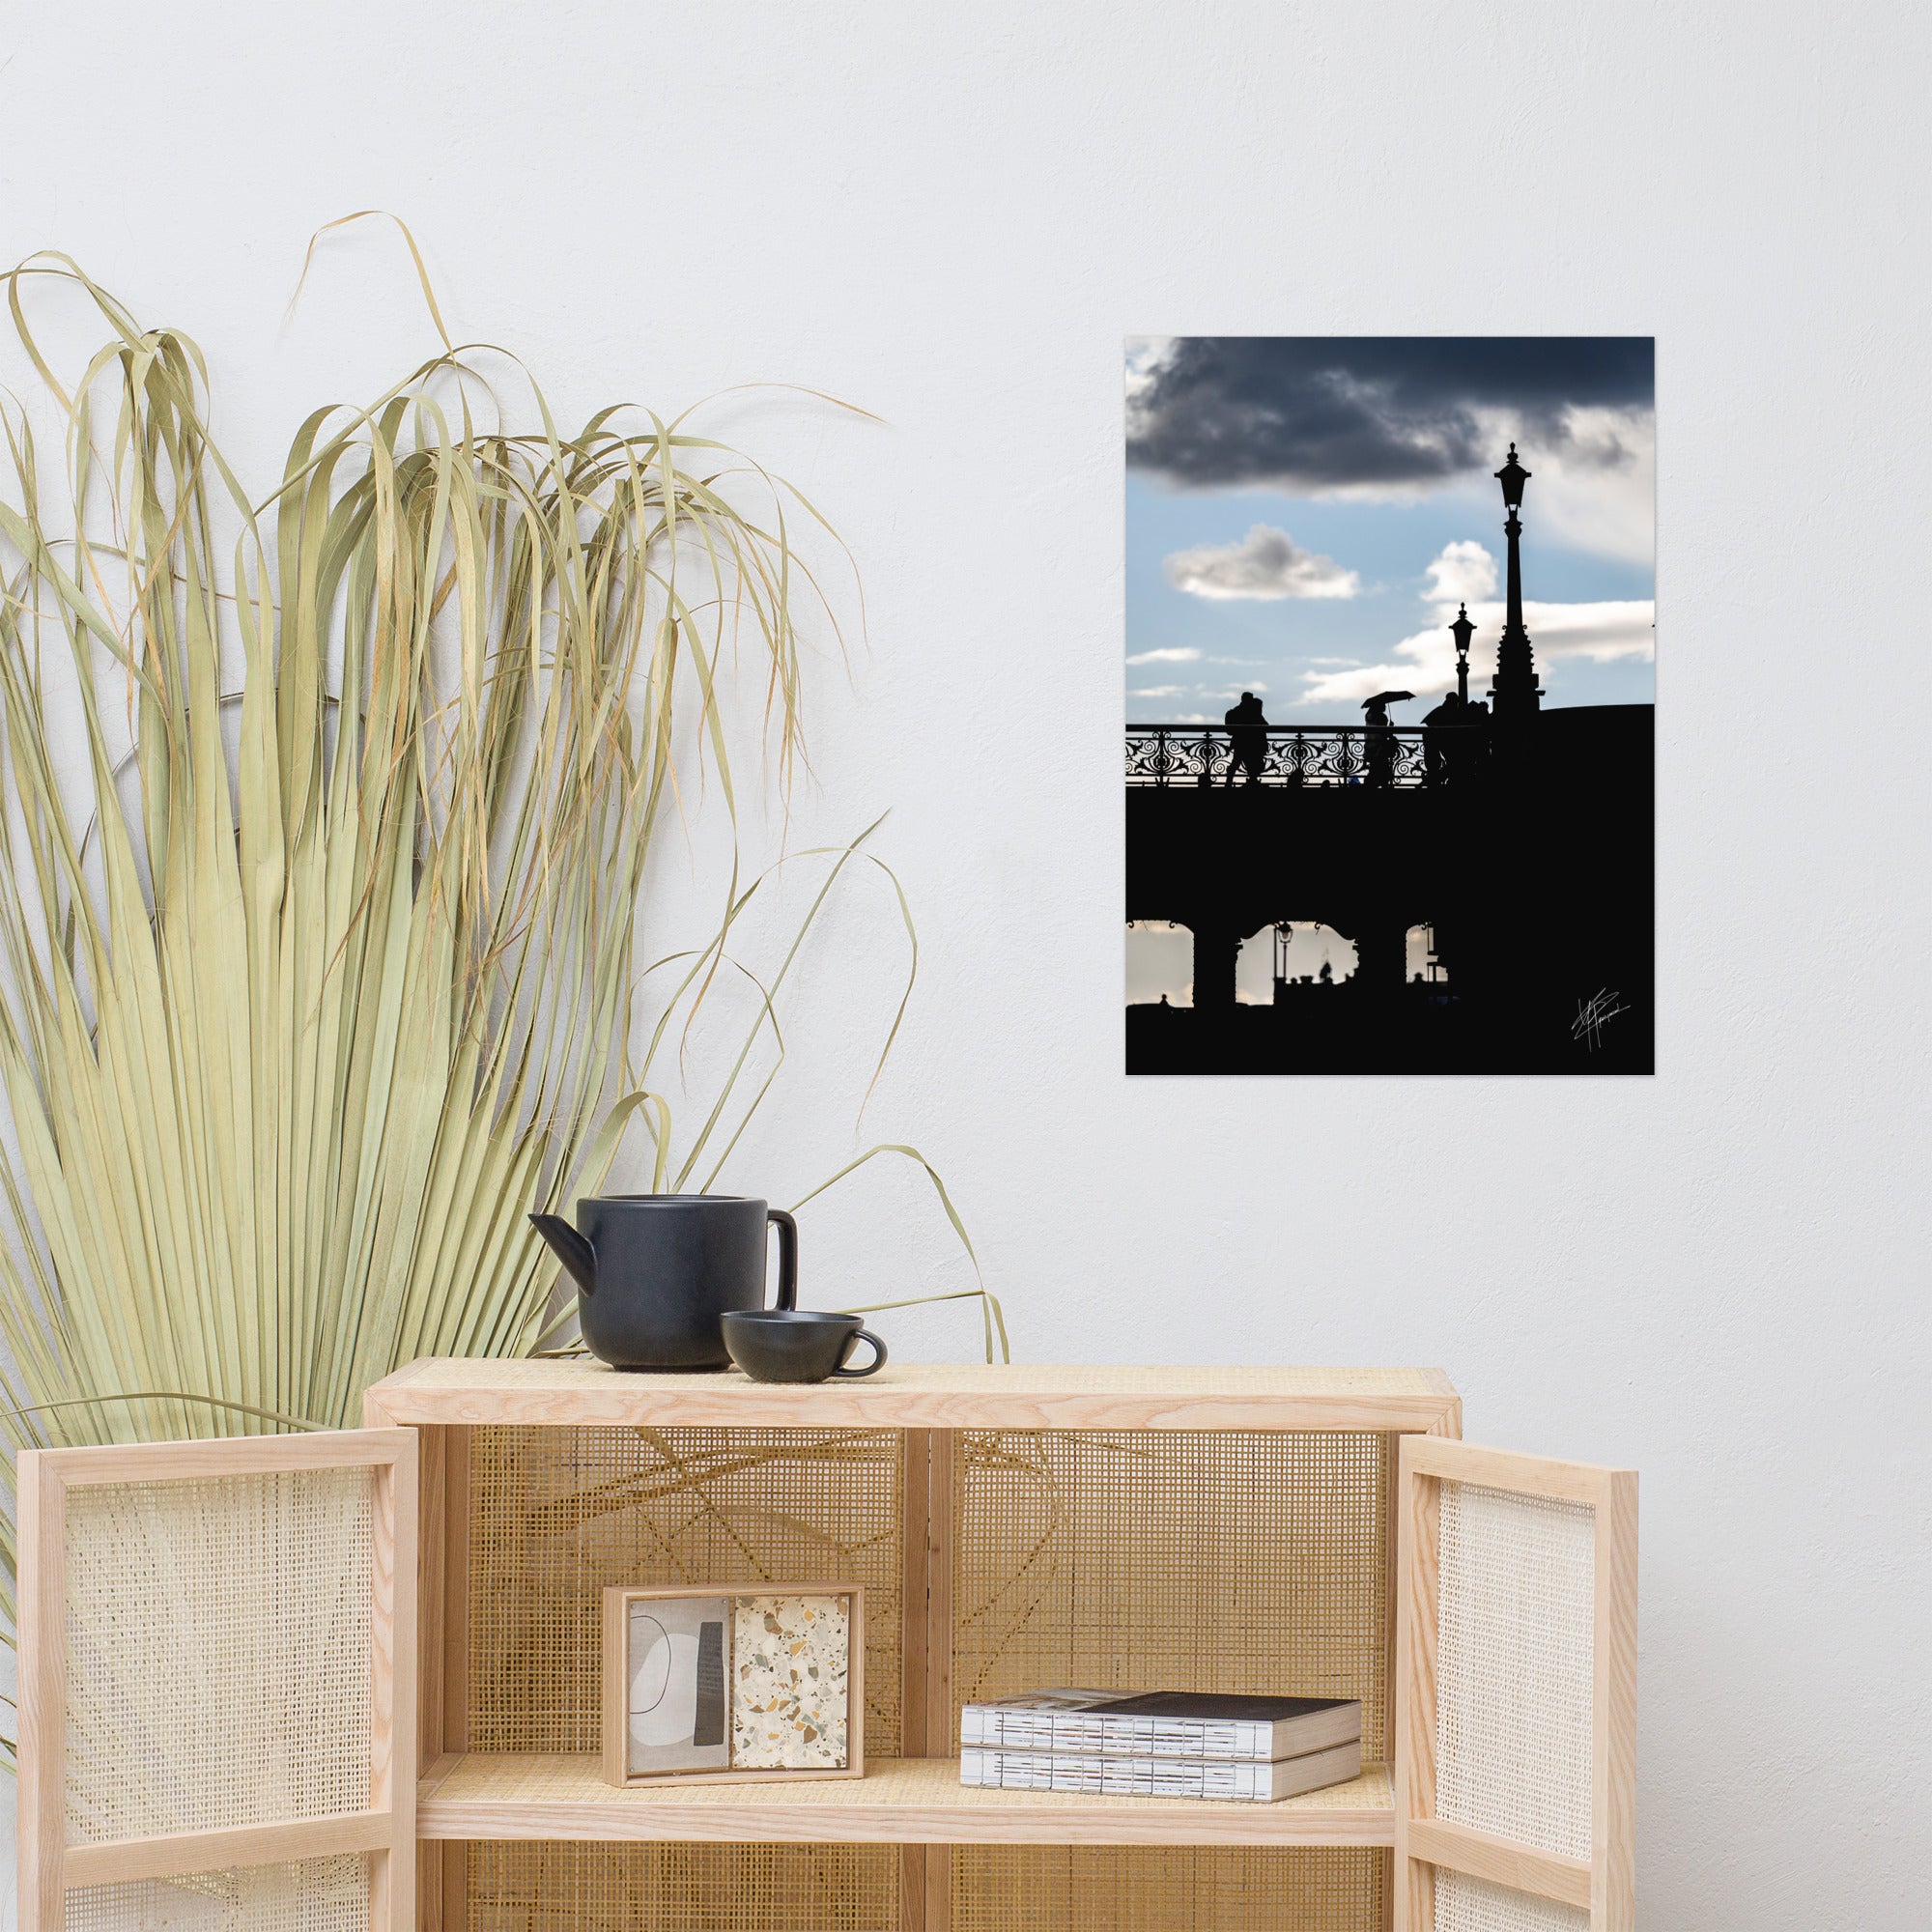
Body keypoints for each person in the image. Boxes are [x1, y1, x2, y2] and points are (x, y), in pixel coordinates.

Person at [1223, 692, 1269, 787]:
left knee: (1236, 763)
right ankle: (1252, 782)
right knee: (1250, 764)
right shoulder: (1253, 712)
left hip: (1240, 743)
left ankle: (1229, 783)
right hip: (1253, 743)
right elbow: (1266, 726)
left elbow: (1229, 731)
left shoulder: (1235, 711)